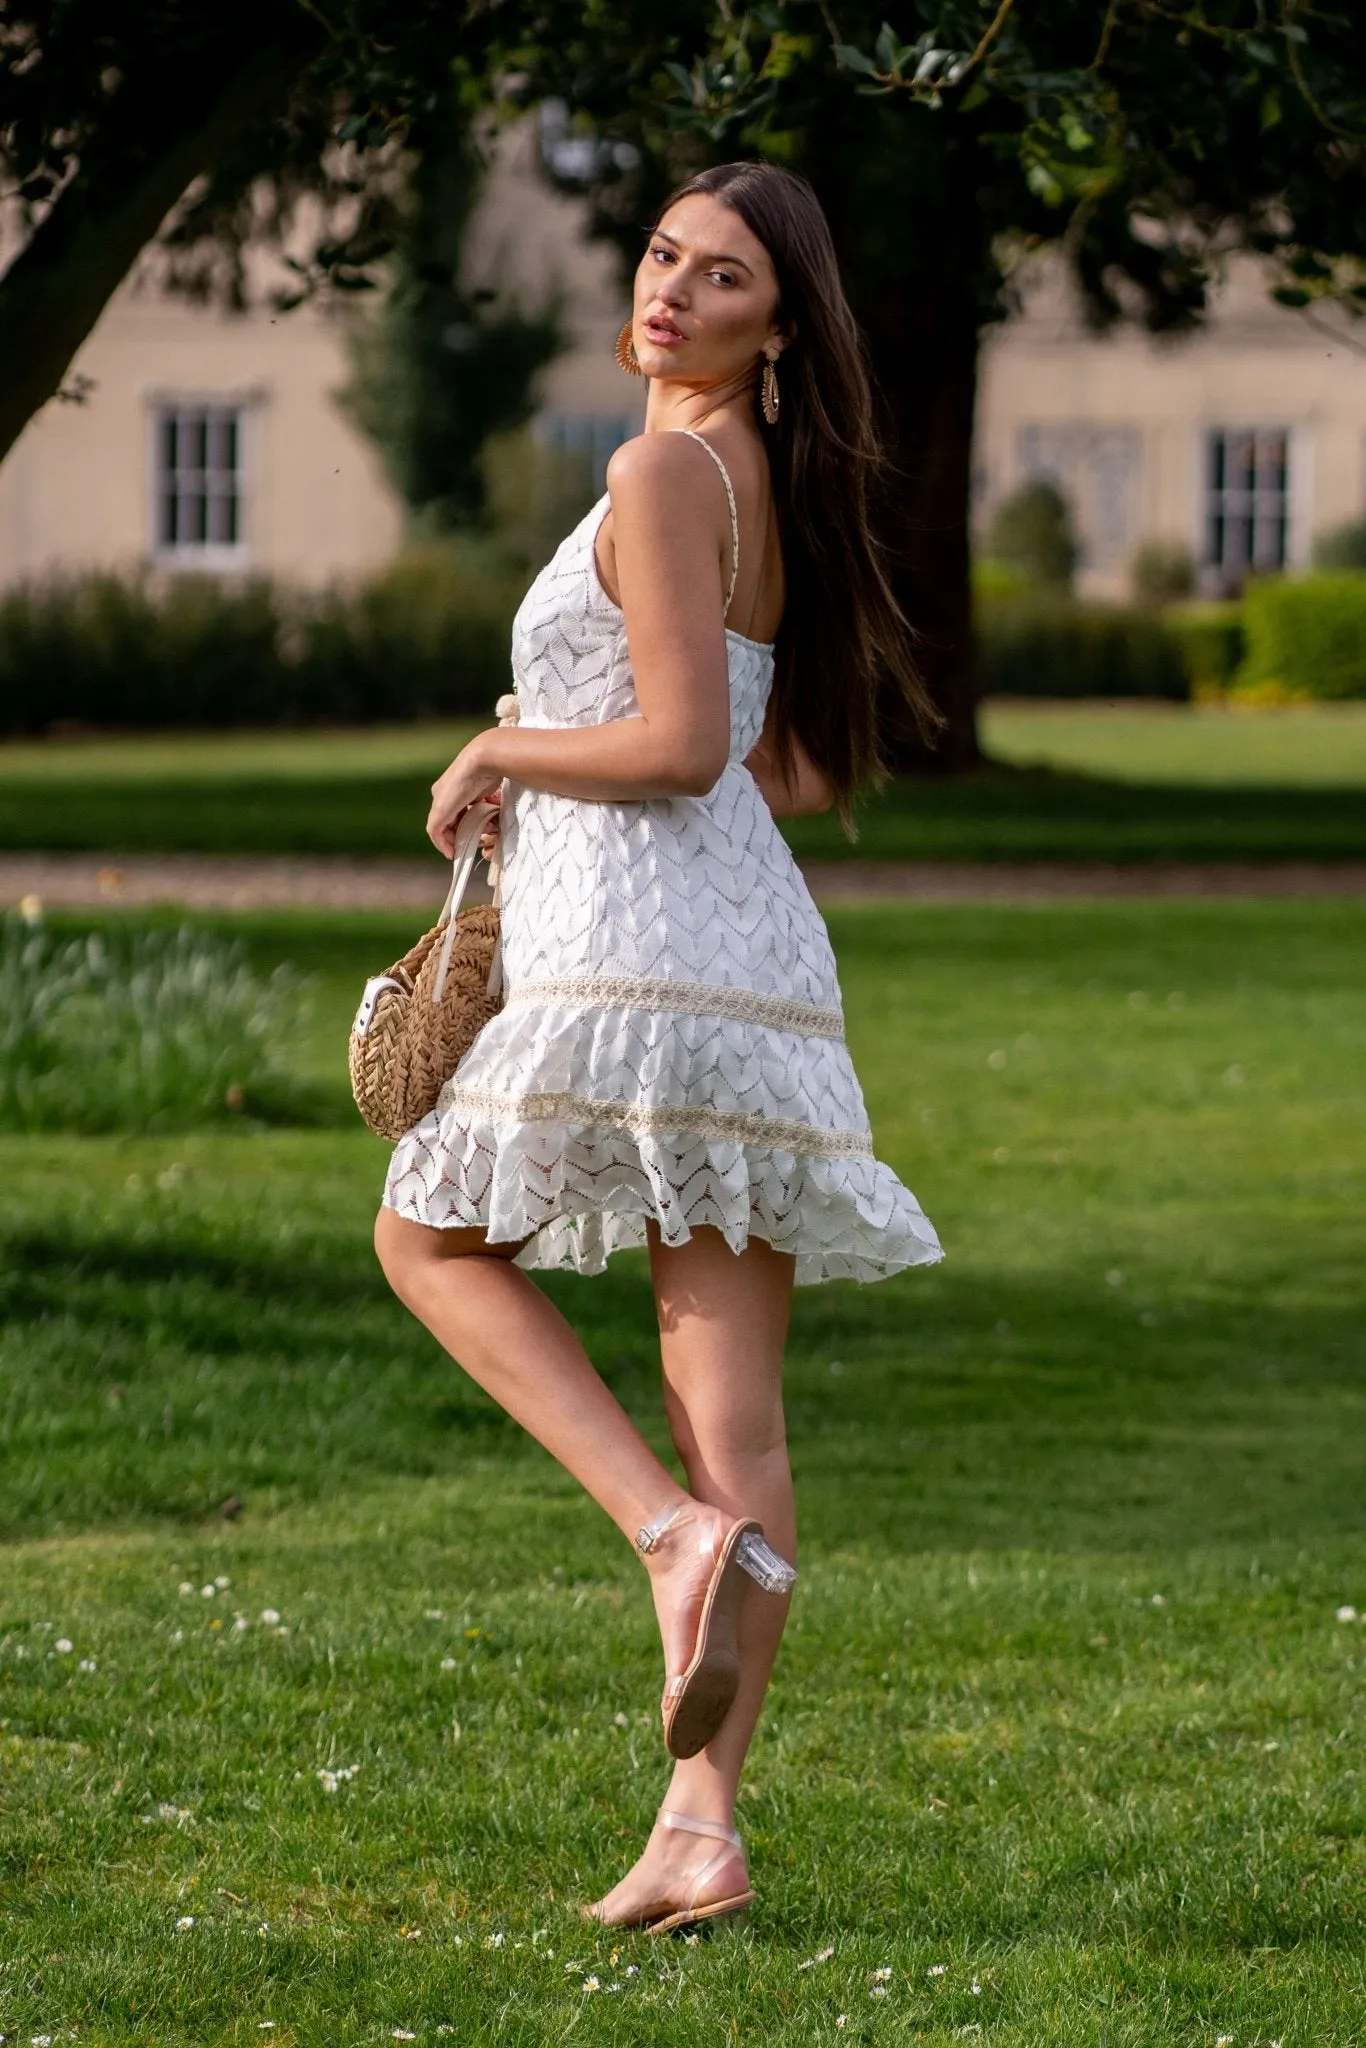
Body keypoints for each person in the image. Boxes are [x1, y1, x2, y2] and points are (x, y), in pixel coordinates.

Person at [374, 160, 943, 1934]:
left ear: (776, 329)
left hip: (641, 958)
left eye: (721, 280)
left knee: (419, 1235)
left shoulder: (658, 465)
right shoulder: (751, 477)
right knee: (737, 1418)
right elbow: (778, 761)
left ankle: (662, 1534)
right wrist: (557, 735)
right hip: (742, 962)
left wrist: (498, 757)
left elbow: (684, 744)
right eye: (664, 259)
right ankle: (700, 1831)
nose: (673, 294)